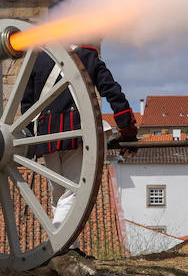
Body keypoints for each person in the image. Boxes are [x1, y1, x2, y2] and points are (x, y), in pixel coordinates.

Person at [20, 22, 137, 258]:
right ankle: (59, 247)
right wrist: (127, 128)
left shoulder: (40, 59)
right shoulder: (87, 56)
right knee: (73, 193)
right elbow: (112, 92)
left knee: (59, 193)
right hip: (75, 133)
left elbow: (27, 103)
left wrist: (31, 140)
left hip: (46, 136)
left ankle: (68, 247)